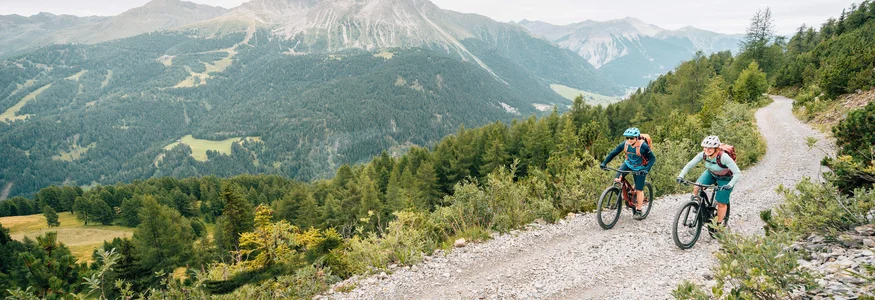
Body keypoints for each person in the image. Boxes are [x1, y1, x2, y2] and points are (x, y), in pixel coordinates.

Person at [676, 136, 741, 228]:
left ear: (716, 148)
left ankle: (717, 225)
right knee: (697, 186)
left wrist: (730, 184)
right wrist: (681, 175)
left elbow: (737, 173)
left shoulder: (724, 157)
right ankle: (697, 205)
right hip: (711, 173)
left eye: (710, 148)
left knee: (721, 203)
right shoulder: (703, 154)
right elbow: (690, 164)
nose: (707, 150)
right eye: (705, 147)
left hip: (725, 178)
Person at [600, 127, 656, 220]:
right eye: (627, 138)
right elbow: (613, 153)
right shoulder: (625, 144)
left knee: (639, 189)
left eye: (632, 138)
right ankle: (625, 196)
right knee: (617, 180)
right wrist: (604, 163)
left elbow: (652, 158)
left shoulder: (643, 146)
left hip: (640, 168)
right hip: (628, 164)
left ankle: (638, 210)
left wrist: (646, 169)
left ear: (637, 138)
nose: (629, 140)